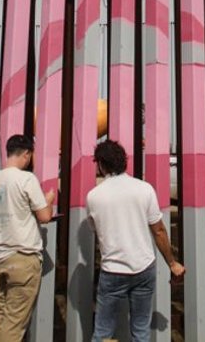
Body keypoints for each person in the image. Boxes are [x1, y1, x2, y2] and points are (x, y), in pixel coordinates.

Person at [86, 140, 185, 342]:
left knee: (103, 332)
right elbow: (158, 231)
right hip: (143, 267)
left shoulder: (94, 196)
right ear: (124, 162)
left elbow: (95, 230)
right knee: (140, 331)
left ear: (101, 164)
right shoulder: (144, 189)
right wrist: (172, 263)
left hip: (112, 270)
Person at [0, 134, 57, 342]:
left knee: (1, 318)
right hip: (23, 257)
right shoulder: (27, 179)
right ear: (26, 154)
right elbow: (44, 217)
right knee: (15, 324)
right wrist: (48, 201)